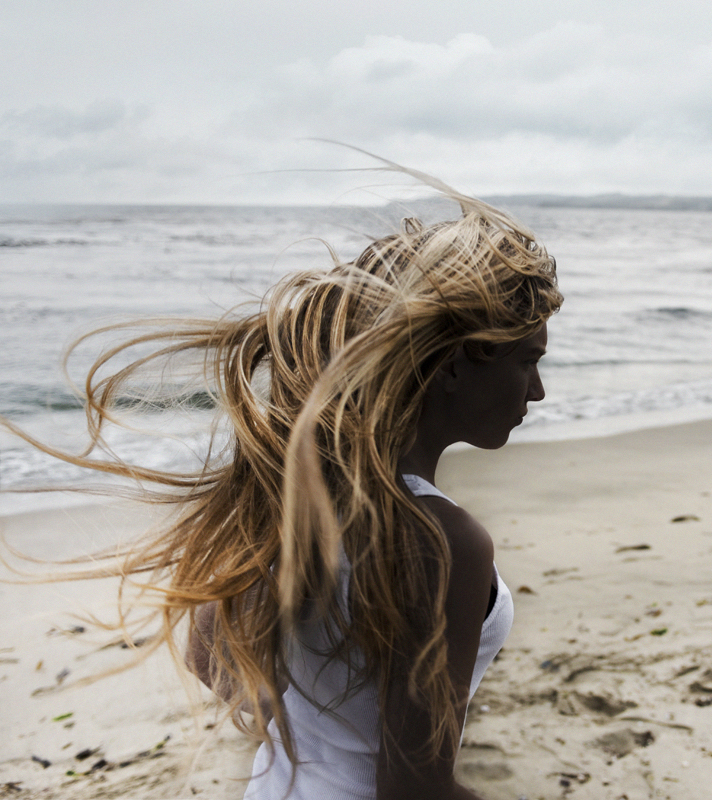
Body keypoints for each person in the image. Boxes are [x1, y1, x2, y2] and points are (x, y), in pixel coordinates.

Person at [4, 177, 562, 799]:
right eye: (526, 361)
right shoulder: (444, 542)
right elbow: (413, 791)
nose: (538, 390)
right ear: (455, 365)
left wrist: (313, 734)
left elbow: (208, 655)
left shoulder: (300, 493)